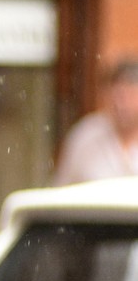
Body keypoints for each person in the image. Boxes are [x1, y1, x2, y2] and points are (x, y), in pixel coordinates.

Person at [53, 57, 138, 186]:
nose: (121, 104)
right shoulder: (86, 135)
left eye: (129, 96)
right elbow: (61, 188)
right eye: (118, 96)